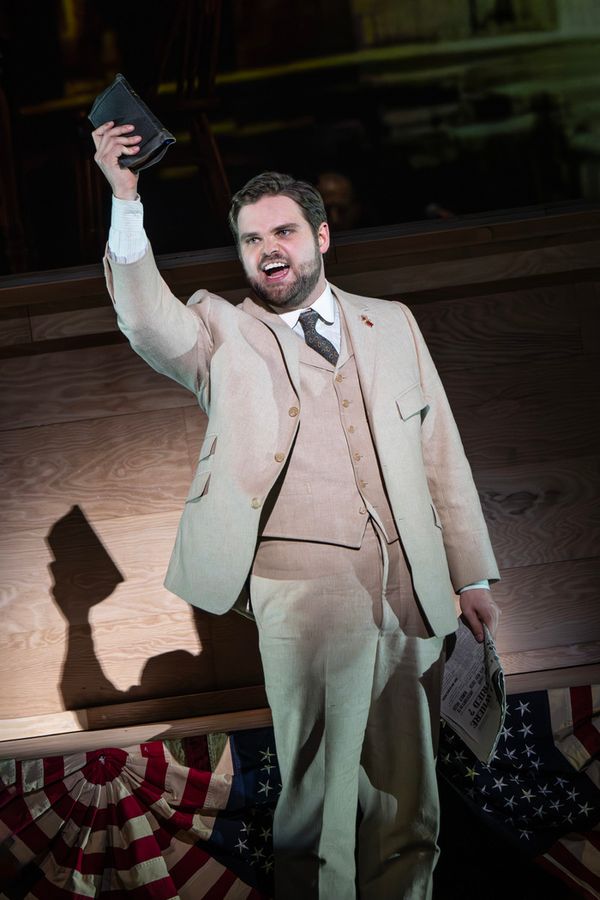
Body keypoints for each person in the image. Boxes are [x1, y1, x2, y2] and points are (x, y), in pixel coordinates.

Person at [93, 120, 501, 900]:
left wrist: (471, 575)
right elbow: (146, 318)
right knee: (318, 804)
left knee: (407, 799)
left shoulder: (392, 322)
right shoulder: (220, 329)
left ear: (320, 236)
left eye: (282, 231)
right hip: (300, 593)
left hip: (410, 588)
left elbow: (441, 453)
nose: (267, 249)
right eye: (251, 240)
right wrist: (125, 195)